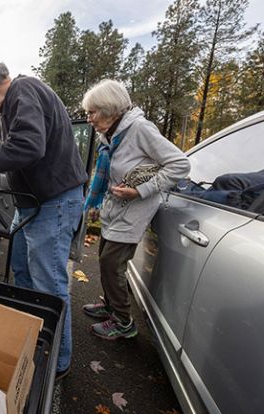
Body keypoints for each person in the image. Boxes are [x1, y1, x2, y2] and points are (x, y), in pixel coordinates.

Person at [0, 50, 88, 380]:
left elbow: (28, 146)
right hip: (32, 205)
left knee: (49, 284)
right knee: (23, 273)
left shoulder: (24, 92)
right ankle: (32, 337)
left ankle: (57, 361)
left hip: (51, 205)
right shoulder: (12, 105)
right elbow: (19, 153)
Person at [81, 79, 190, 340]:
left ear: (109, 109)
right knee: (105, 258)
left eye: (92, 112)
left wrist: (141, 190)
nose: (89, 119)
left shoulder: (140, 129)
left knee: (111, 263)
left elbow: (179, 164)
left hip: (133, 209)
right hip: (115, 208)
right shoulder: (110, 135)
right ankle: (110, 305)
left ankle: (123, 322)